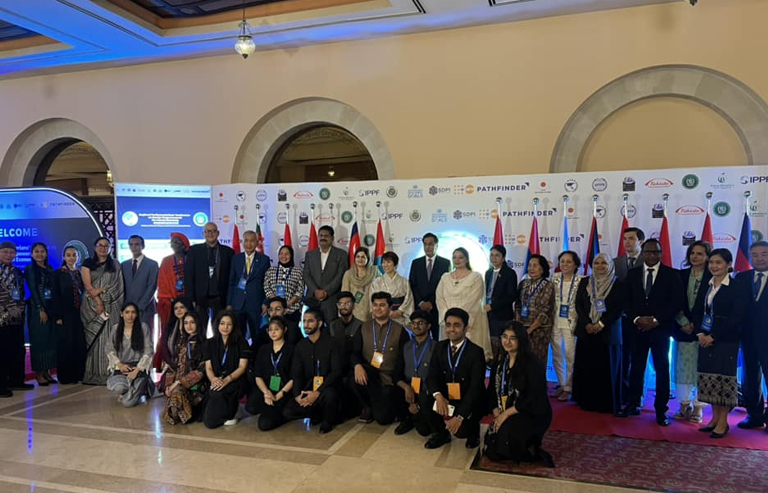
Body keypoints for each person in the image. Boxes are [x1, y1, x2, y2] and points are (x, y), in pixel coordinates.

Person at [618, 238, 684, 426]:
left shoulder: (672, 275)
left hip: (660, 330)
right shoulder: (632, 274)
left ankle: (661, 411)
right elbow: (626, 301)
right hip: (637, 328)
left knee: (662, 369)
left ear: (661, 254)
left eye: (655, 252)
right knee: (636, 367)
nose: (651, 255)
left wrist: (656, 320)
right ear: (643, 253)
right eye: (647, 252)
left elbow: (676, 302)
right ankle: (632, 404)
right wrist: (637, 319)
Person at [694, 248, 748, 438]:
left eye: (719, 263)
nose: (714, 266)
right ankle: (715, 419)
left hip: (725, 341)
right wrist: (700, 333)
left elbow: (736, 317)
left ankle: (723, 423)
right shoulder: (707, 285)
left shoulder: (736, 286)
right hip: (705, 339)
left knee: (723, 382)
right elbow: (699, 312)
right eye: (712, 262)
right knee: (711, 381)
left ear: (729, 265)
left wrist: (714, 336)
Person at [484, 321, 553, 466]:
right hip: (506, 411)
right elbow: (491, 390)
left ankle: (531, 447)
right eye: (504, 336)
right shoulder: (500, 361)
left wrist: (505, 414)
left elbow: (534, 398)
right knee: (492, 449)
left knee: (506, 446)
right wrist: (497, 415)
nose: (507, 341)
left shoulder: (533, 364)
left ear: (520, 340)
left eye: (512, 338)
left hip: (529, 412)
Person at [420, 308, 486, 449]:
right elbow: (431, 376)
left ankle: (473, 432)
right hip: (446, 396)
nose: (451, 329)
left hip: (468, 399)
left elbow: (476, 388)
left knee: (462, 432)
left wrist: (459, 416)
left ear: (466, 328)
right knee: (425, 397)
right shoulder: (439, 347)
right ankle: (441, 434)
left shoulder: (476, 352)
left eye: (457, 325)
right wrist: (438, 396)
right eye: (448, 325)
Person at [572, 253, 623, 414]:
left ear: (610, 266)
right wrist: (587, 323)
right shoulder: (585, 281)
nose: (600, 266)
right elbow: (579, 304)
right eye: (597, 263)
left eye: (604, 263)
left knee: (606, 368)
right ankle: (586, 400)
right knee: (587, 366)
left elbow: (617, 308)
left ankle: (605, 403)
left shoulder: (618, 284)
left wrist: (601, 323)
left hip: (608, 332)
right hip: (587, 331)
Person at [350, 291, 410, 425]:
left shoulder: (400, 330)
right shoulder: (364, 327)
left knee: (383, 419)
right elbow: (355, 352)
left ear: (390, 308)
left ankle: (382, 407)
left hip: (390, 380)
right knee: (352, 379)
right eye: (375, 305)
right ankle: (367, 407)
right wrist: (357, 365)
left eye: (382, 305)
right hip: (369, 376)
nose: (378, 308)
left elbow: (403, 360)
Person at [283, 308, 343, 434]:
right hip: (308, 388)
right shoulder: (301, 345)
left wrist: (317, 392)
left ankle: (327, 421)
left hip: (326, 387)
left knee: (330, 395)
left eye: (310, 321)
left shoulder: (331, 343)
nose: (306, 325)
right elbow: (297, 373)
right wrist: (298, 395)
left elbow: (336, 372)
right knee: (288, 411)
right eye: (304, 321)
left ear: (319, 323)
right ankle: (315, 413)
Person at [673, 241, 711, 423]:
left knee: (701, 369)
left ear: (707, 256)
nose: (695, 257)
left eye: (700, 253)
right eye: (692, 253)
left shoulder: (713, 276)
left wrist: (698, 326)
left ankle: (698, 406)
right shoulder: (680, 275)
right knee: (683, 368)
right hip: (683, 329)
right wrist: (683, 322)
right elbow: (672, 302)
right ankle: (683, 403)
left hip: (705, 331)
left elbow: (714, 306)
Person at [436, 247, 493, 362]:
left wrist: (459, 318)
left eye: (461, 257)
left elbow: (473, 299)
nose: (457, 260)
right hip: (447, 319)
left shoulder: (476, 277)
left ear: (467, 259)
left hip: (469, 321)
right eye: (454, 257)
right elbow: (439, 298)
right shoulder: (445, 277)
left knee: (468, 357)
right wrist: (447, 317)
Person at [81, 237, 125, 385]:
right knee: (95, 341)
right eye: (100, 245)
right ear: (95, 247)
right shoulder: (88, 263)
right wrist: (99, 303)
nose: (103, 248)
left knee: (109, 339)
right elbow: (88, 287)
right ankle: (93, 374)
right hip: (92, 306)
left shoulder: (115, 265)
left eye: (107, 246)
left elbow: (118, 286)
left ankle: (110, 372)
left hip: (111, 307)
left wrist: (104, 293)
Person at [738, 240, 768, 431]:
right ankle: (755, 415)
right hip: (747, 337)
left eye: (764, 254)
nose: (759, 258)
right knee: (750, 376)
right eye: (755, 255)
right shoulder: (741, 277)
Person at [245, 316, 295, 431]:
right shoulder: (263, 349)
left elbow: (294, 377)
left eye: (276, 329)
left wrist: (280, 394)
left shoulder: (291, 350)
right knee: (250, 407)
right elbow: (258, 376)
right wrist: (266, 392)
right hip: (267, 389)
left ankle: (279, 412)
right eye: (270, 329)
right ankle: (270, 408)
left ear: (284, 330)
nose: (273, 332)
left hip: (284, 391)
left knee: (264, 425)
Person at [184, 222, 235, 334]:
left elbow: (232, 279)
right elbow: (189, 276)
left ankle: (219, 351)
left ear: (218, 233)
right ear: (203, 234)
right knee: (199, 330)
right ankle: (200, 351)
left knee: (220, 330)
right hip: (200, 298)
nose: (210, 234)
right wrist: (191, 299)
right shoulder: (194, 251)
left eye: (213, 231)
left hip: (220, 298)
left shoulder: (228, 252)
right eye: (208, 231)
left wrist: (229, 301)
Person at [203, 310, 250, 428]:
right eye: (222, 323)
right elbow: (208, 367)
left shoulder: (241, 342)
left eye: (229, 324)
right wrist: (214, 379)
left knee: (221, 393)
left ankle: (231, 411)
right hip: (217, 378)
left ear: (234, 326)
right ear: (217, 324)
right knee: (209, 420)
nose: (225, 327)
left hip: (235, 379)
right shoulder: (210, 343)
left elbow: (242, 367)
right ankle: (228, 412)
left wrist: (227, 380)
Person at [614, 227, 645, 406]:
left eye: (631, 238)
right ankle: (623, 394)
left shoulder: (648, 261)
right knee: (623, 358)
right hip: (621, 318)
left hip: (643, 319)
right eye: (625, 238)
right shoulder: (616, 262)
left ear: (640, 241)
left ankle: (638, 396)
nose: (627, 242)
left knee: (640, 360)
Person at [106, 302, 156, 407]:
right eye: (127, 312)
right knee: (119, 387)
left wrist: (136, 371)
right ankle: (133, 388)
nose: (130, 315)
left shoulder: (143, 327)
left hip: (139, 367)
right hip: (123, 367)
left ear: (137, 314)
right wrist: (120, 365)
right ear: (121, 314)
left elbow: (149, 351)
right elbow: (109, 349)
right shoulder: (116, 328)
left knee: (127, 403)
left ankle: (143, 386)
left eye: (133, 312)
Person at [394, 309, 435, 436]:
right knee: (392, 390)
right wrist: (406, 387)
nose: (416, 326)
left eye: (421, 323)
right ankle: (407, 419)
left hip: (427, 392)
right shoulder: (406, 346)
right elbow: (397, 373)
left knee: (424, 431)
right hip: (408, 390)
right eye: (413, 323)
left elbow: (437, 378)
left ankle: (418, 416)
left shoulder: (436, 347)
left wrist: (416, 403)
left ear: (428, 326)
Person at [163, 312, 207, 425]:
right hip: (178, 384)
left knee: (177, 394)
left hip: (196, 386)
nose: (189, 326)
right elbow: (172, 366)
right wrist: (168, 385)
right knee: (175, 395)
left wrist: (179, 382)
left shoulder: (204, 344)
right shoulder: (181, 342)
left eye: (192, 322)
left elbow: (201, 370)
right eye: (186, 323)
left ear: (198, 324)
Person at [51, 246, 87, 384]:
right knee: (66, 345)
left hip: (79, 314)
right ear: (64, 257)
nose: (71, 257)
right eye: (68, 255)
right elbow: (55, 296)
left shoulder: (80, 273)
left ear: (77, 257)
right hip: (65, 314)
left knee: (78, 344)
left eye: (74, 255)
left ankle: (78, 374)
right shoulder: (58, 273)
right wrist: (58, 316)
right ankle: (66, 376)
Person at [550, 250, 582, 402]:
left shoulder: (582, 280)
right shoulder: (554, 278)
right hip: (555, 321)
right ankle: (561, 383)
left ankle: (569, 387)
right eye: (562, 261)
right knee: (557, 354)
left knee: (571, 355)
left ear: (575, 264)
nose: (565, 264)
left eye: (569, 261)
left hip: (572, 323)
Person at [0, 241, 31, 397]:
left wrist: (19, 308)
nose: (8, 255)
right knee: (2, 352)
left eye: (11, 252)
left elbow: (20, 293)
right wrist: (6, 309)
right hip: (1, 318)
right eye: (5, 252)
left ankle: (16, 380)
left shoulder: (17, 271)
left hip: (16, 317)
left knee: (17, 350)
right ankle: (1, 385)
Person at [227, 230, 270, 339]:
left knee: (256, 335)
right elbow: (231, 282)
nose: (249, 244)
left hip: (255, 303)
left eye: (252, 241)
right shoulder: (236, 258)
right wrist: (229, 303)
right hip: (238, 303)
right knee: (237, 335)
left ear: (257, 243)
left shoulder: (264, 260)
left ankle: (255, 356)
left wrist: (265, 302)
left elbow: (267, 283)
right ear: (242, 242)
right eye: (246, 241)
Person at [24, 242, 57, 386]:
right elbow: (33, 290)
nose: (40, 254)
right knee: (39, 341)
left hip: (50, 308)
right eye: (36, 251)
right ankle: (38, 372)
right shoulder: (30, 268)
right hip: (37, 309)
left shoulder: (49, 268)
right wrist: (40, 309)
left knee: (49, 341)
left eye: (42, 251)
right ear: (32, 254)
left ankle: (47, 371)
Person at [409, 233, 451, 340]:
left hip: (437, 308)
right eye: (425, 244)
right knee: (420, 339)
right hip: (420, 309)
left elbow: (446, 287)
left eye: (431, 244)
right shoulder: (416, 263)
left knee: (438, 339)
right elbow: (412, 285)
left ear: (437, 245)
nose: (428, 247)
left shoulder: (445, 263)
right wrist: (421, 302)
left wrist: (432, 302)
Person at [515, 254, 555, 365]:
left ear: (542, 269)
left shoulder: (548, 285)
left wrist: (529, 330)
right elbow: (518, 304)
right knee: (522, 360)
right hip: (523, 328)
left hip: (540, 330)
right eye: (530, 265)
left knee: (537, 361)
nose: (531, 268)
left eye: (535, 265)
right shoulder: (524, 283)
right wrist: (519, 326)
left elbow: (546, 310)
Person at [303, 225, 347, 324]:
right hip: (312, 298)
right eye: (321, 235)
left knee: (332, 330)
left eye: (326, 236)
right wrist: (315, 291)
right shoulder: (310, 255)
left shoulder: (341, 254)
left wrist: (326, 291)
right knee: (311, 327)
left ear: (332, 238)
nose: (323, 238)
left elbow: (340, 276)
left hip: (331, 299)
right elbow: (306, 274)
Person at [485, 244, 518, 362]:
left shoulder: (509, 273)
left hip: (502, 316)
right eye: (492, 255)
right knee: (492, 349)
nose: (494, 258)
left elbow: (511, 296)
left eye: (497, 255)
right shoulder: (488, 272)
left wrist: (492, 306)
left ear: (503, 258)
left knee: (503, 348)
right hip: (489, 316)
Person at [121, 235, 159, 333]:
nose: (134, 247)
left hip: (145, 309)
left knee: (146, 338)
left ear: (143, 246)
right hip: (128, 309)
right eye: (131, 244)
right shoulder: (124, 265)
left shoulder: (152, 264)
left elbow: (152, 286)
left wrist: (140, 307)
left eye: (137, 244)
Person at [157, 232, 189, 345]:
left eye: (177, 242)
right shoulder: (166, 261)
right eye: (173, 242)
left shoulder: (190, 259)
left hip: (188, 303)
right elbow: (162, 282)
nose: (175, 244)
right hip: (170, 302)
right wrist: (171, 298)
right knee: (169, 332)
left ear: (184, 244)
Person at [370, 251, 414, 327]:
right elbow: (373, 300)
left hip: (399, 316)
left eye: (388, 262)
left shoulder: (404, 281)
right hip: (383, 315)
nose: (385, 265)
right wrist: (387, 311)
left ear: (395, 264)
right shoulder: (377, 282)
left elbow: (408, 299)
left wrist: (400, 311)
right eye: (383, 262)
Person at [264, 245, 305, 324]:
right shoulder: (270, 270)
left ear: (291, 256)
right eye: (281, 253)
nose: (284, 256)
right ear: (278, 255)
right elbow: (266, 287)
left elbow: (300, 290)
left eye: (287, 254)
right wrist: (276, 302)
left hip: (292, 309)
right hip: (274, 310)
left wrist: (288, 303)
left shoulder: (298, 271)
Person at [157, 298, 192, 391]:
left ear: (187, 308)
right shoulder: (170, 326)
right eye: (176, 308)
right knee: (167, 388)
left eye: (182, 307)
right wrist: (172, 364)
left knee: (179, 388)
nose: (179, 310)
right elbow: (164, 347)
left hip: (190, 365)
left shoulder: (193, 326)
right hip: (172, 364)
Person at [328, 291, 363, 374]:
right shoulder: (332, 326)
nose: (344, 307)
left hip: (355, 367)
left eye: (347, 303)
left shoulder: (361, 325)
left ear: (353, 306)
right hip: (335, 367)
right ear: (337, 306)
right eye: (341, 304)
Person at [342, 247, 378, 323]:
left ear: (367, 259)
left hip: (370, 307)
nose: (360, 259)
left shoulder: (374, 272)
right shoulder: (348, 274)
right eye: (358, 257)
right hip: (354, 308)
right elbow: (345, 294)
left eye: (363, 257)